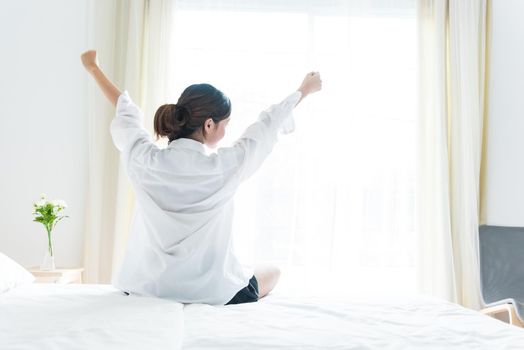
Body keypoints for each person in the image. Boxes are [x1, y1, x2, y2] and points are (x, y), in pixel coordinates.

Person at [80, 49, 322, 305]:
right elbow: (269, 124)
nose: (226, 130)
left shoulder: (143, 159)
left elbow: (127, 113)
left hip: (149, 287)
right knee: (274, 271)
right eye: (225, 123)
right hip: (213, 290)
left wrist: (94, 69)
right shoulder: (227, 166)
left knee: (252, 268)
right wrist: (304, 90)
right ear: (209, 124)